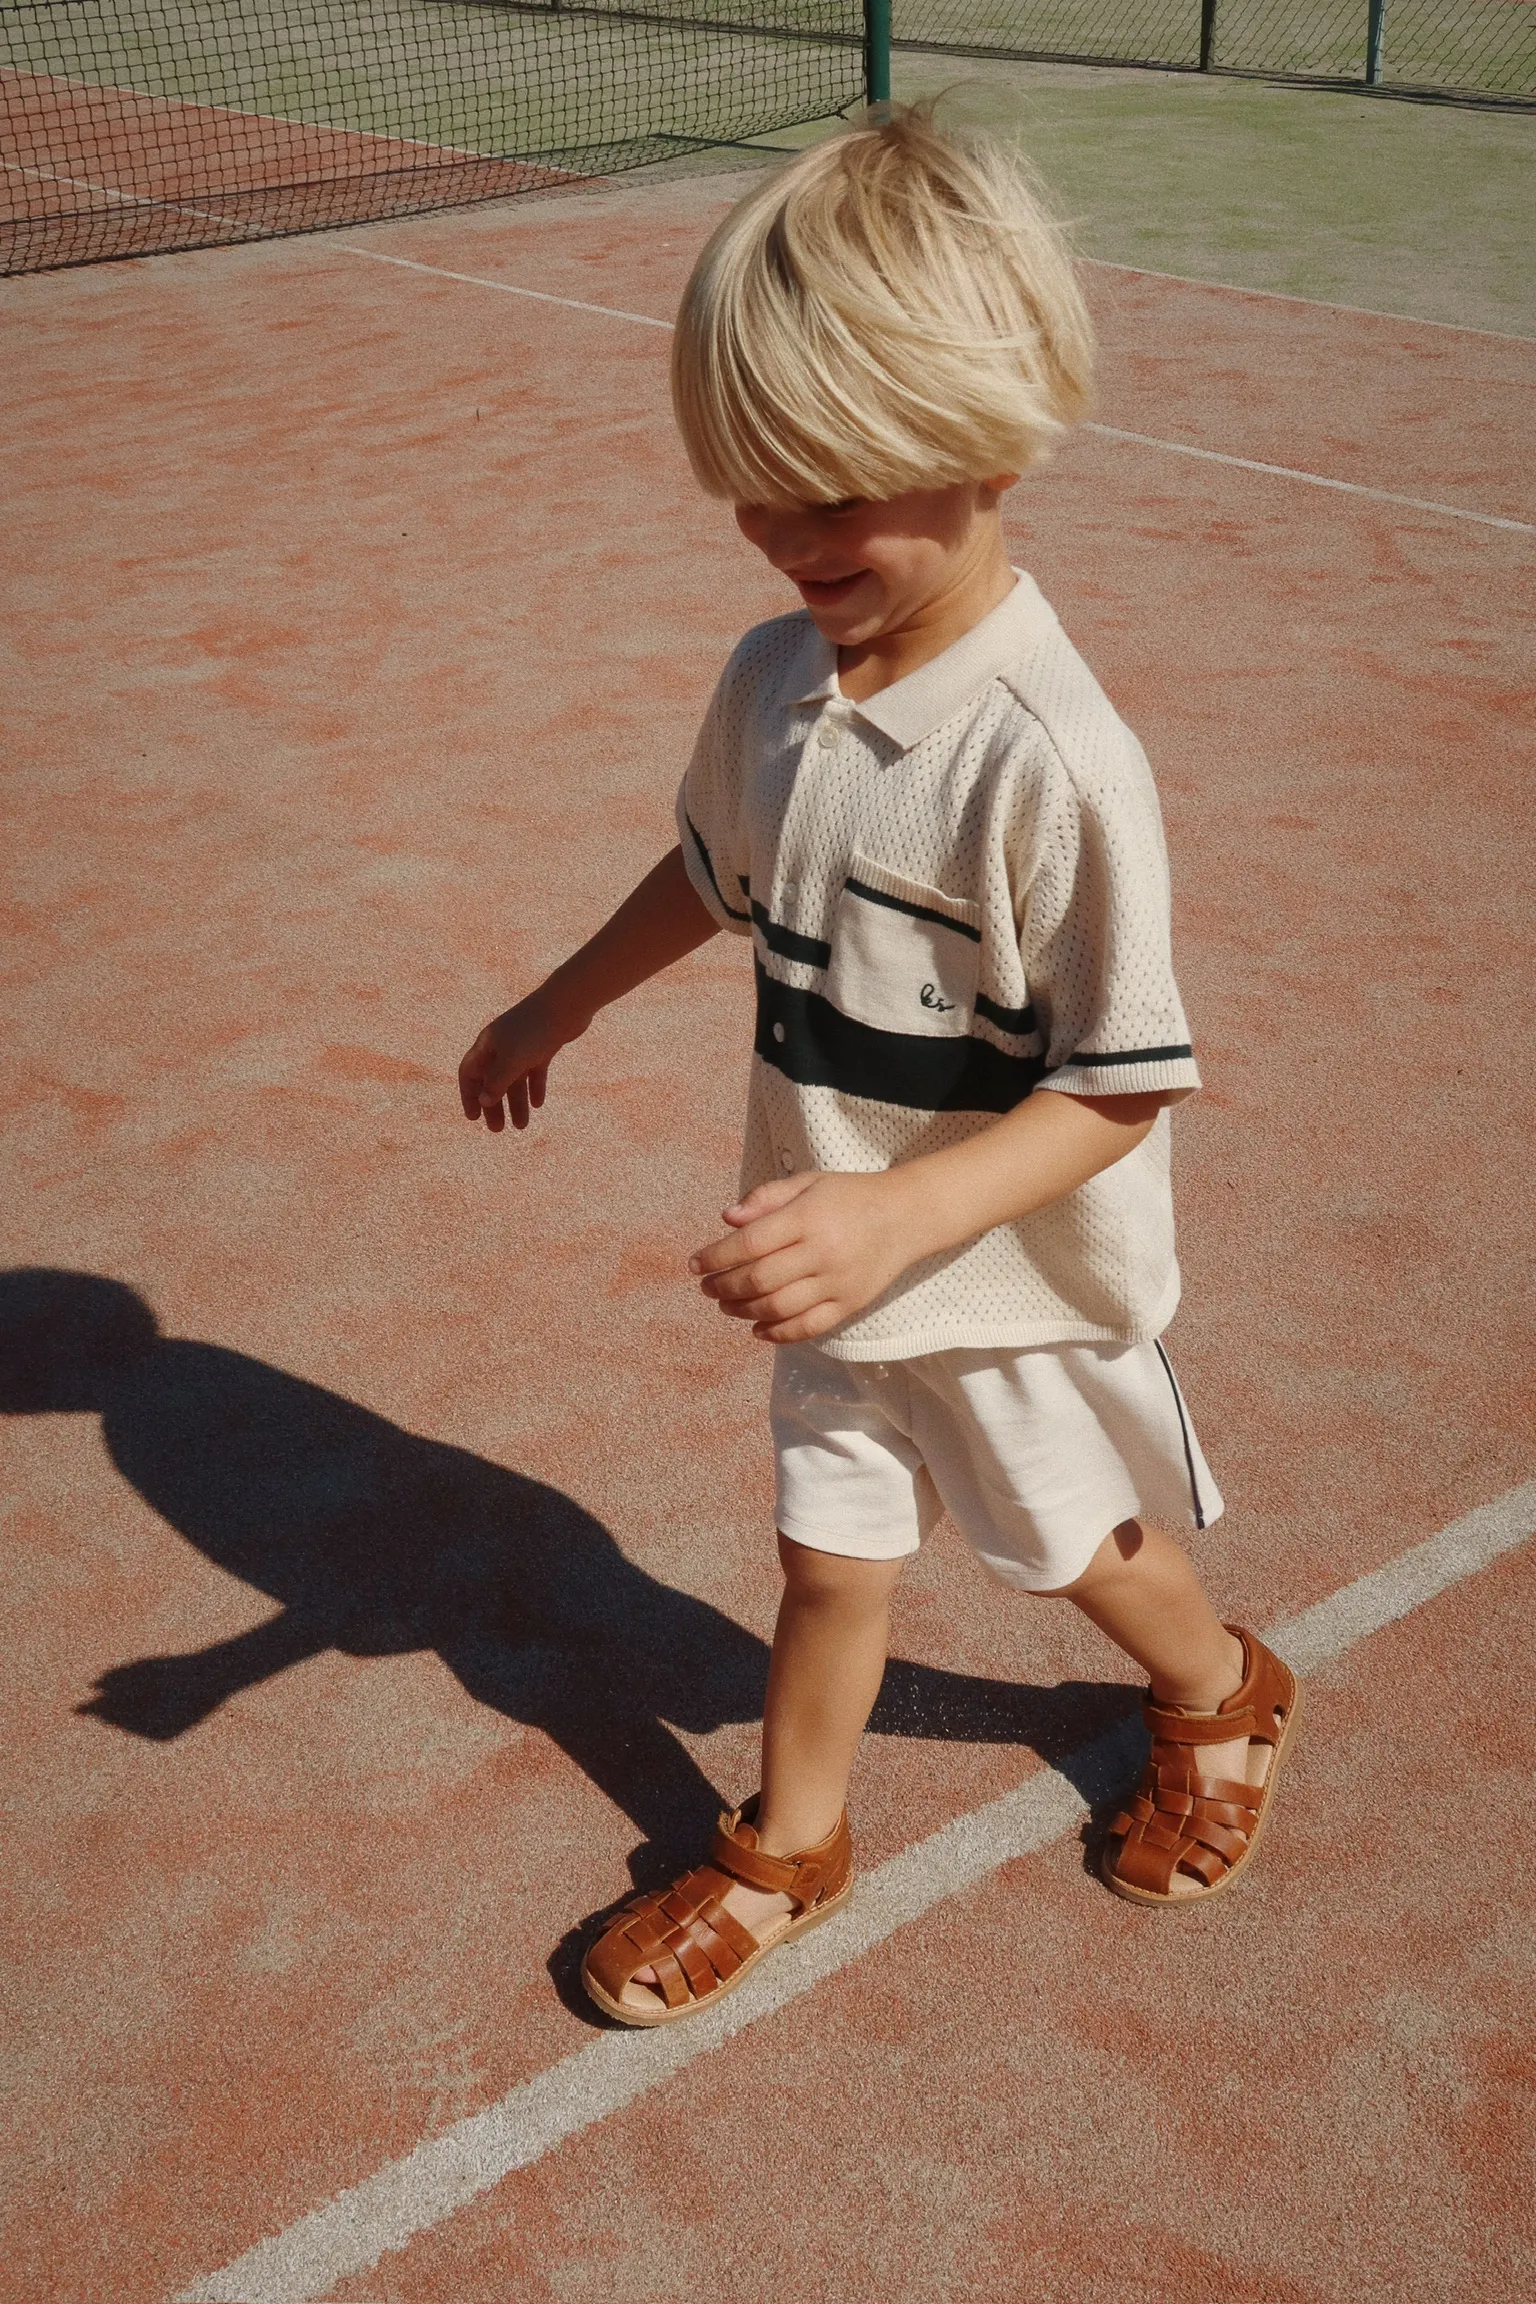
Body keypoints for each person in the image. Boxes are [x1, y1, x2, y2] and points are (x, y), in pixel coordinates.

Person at [458, 108, 1299, 2028]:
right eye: (753, 494)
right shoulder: (773, 680)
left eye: (833, 491)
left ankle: (1217, 1689)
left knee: (1062, 1546)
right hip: (835, 1262)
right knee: (827, 1558)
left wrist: (901, 1217)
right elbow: (710, 875)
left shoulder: (1053, 762)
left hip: (991, 1278)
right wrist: (558, 1002)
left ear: (995, 439)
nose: (786, 539)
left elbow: (1123, 1083)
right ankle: (793, 1842)